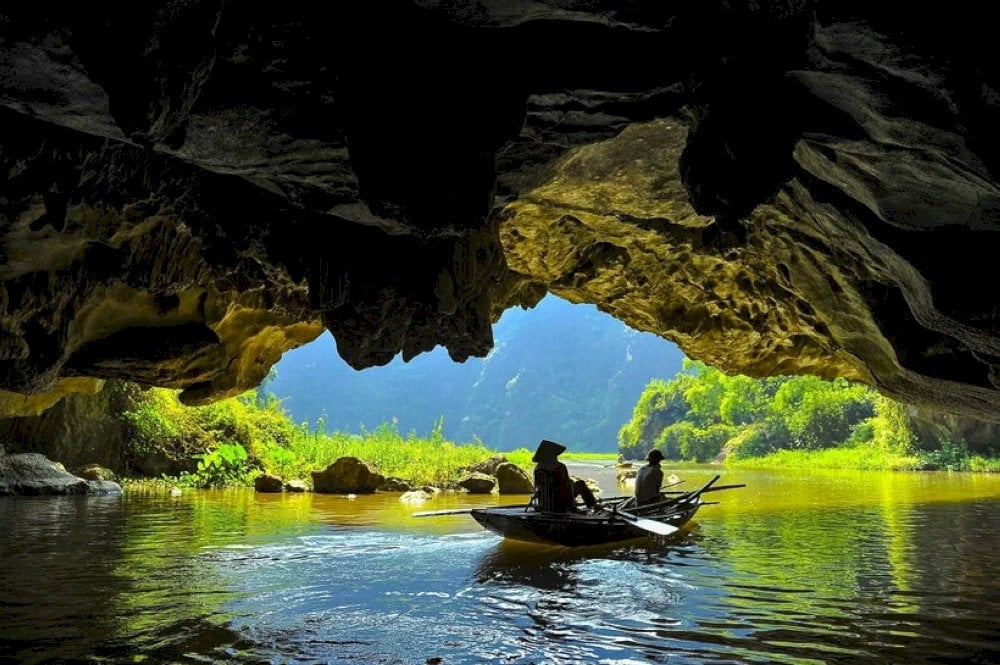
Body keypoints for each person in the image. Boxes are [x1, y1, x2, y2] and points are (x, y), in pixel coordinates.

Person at [531, 439, 599, 513]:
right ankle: (593, 506)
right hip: (560, 503)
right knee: (580, 483)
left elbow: (539, 487)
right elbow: (564, 487)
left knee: (571, 484)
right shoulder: (560, 467)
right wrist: (572, 506)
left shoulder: (538, 468)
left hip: (545, 503)